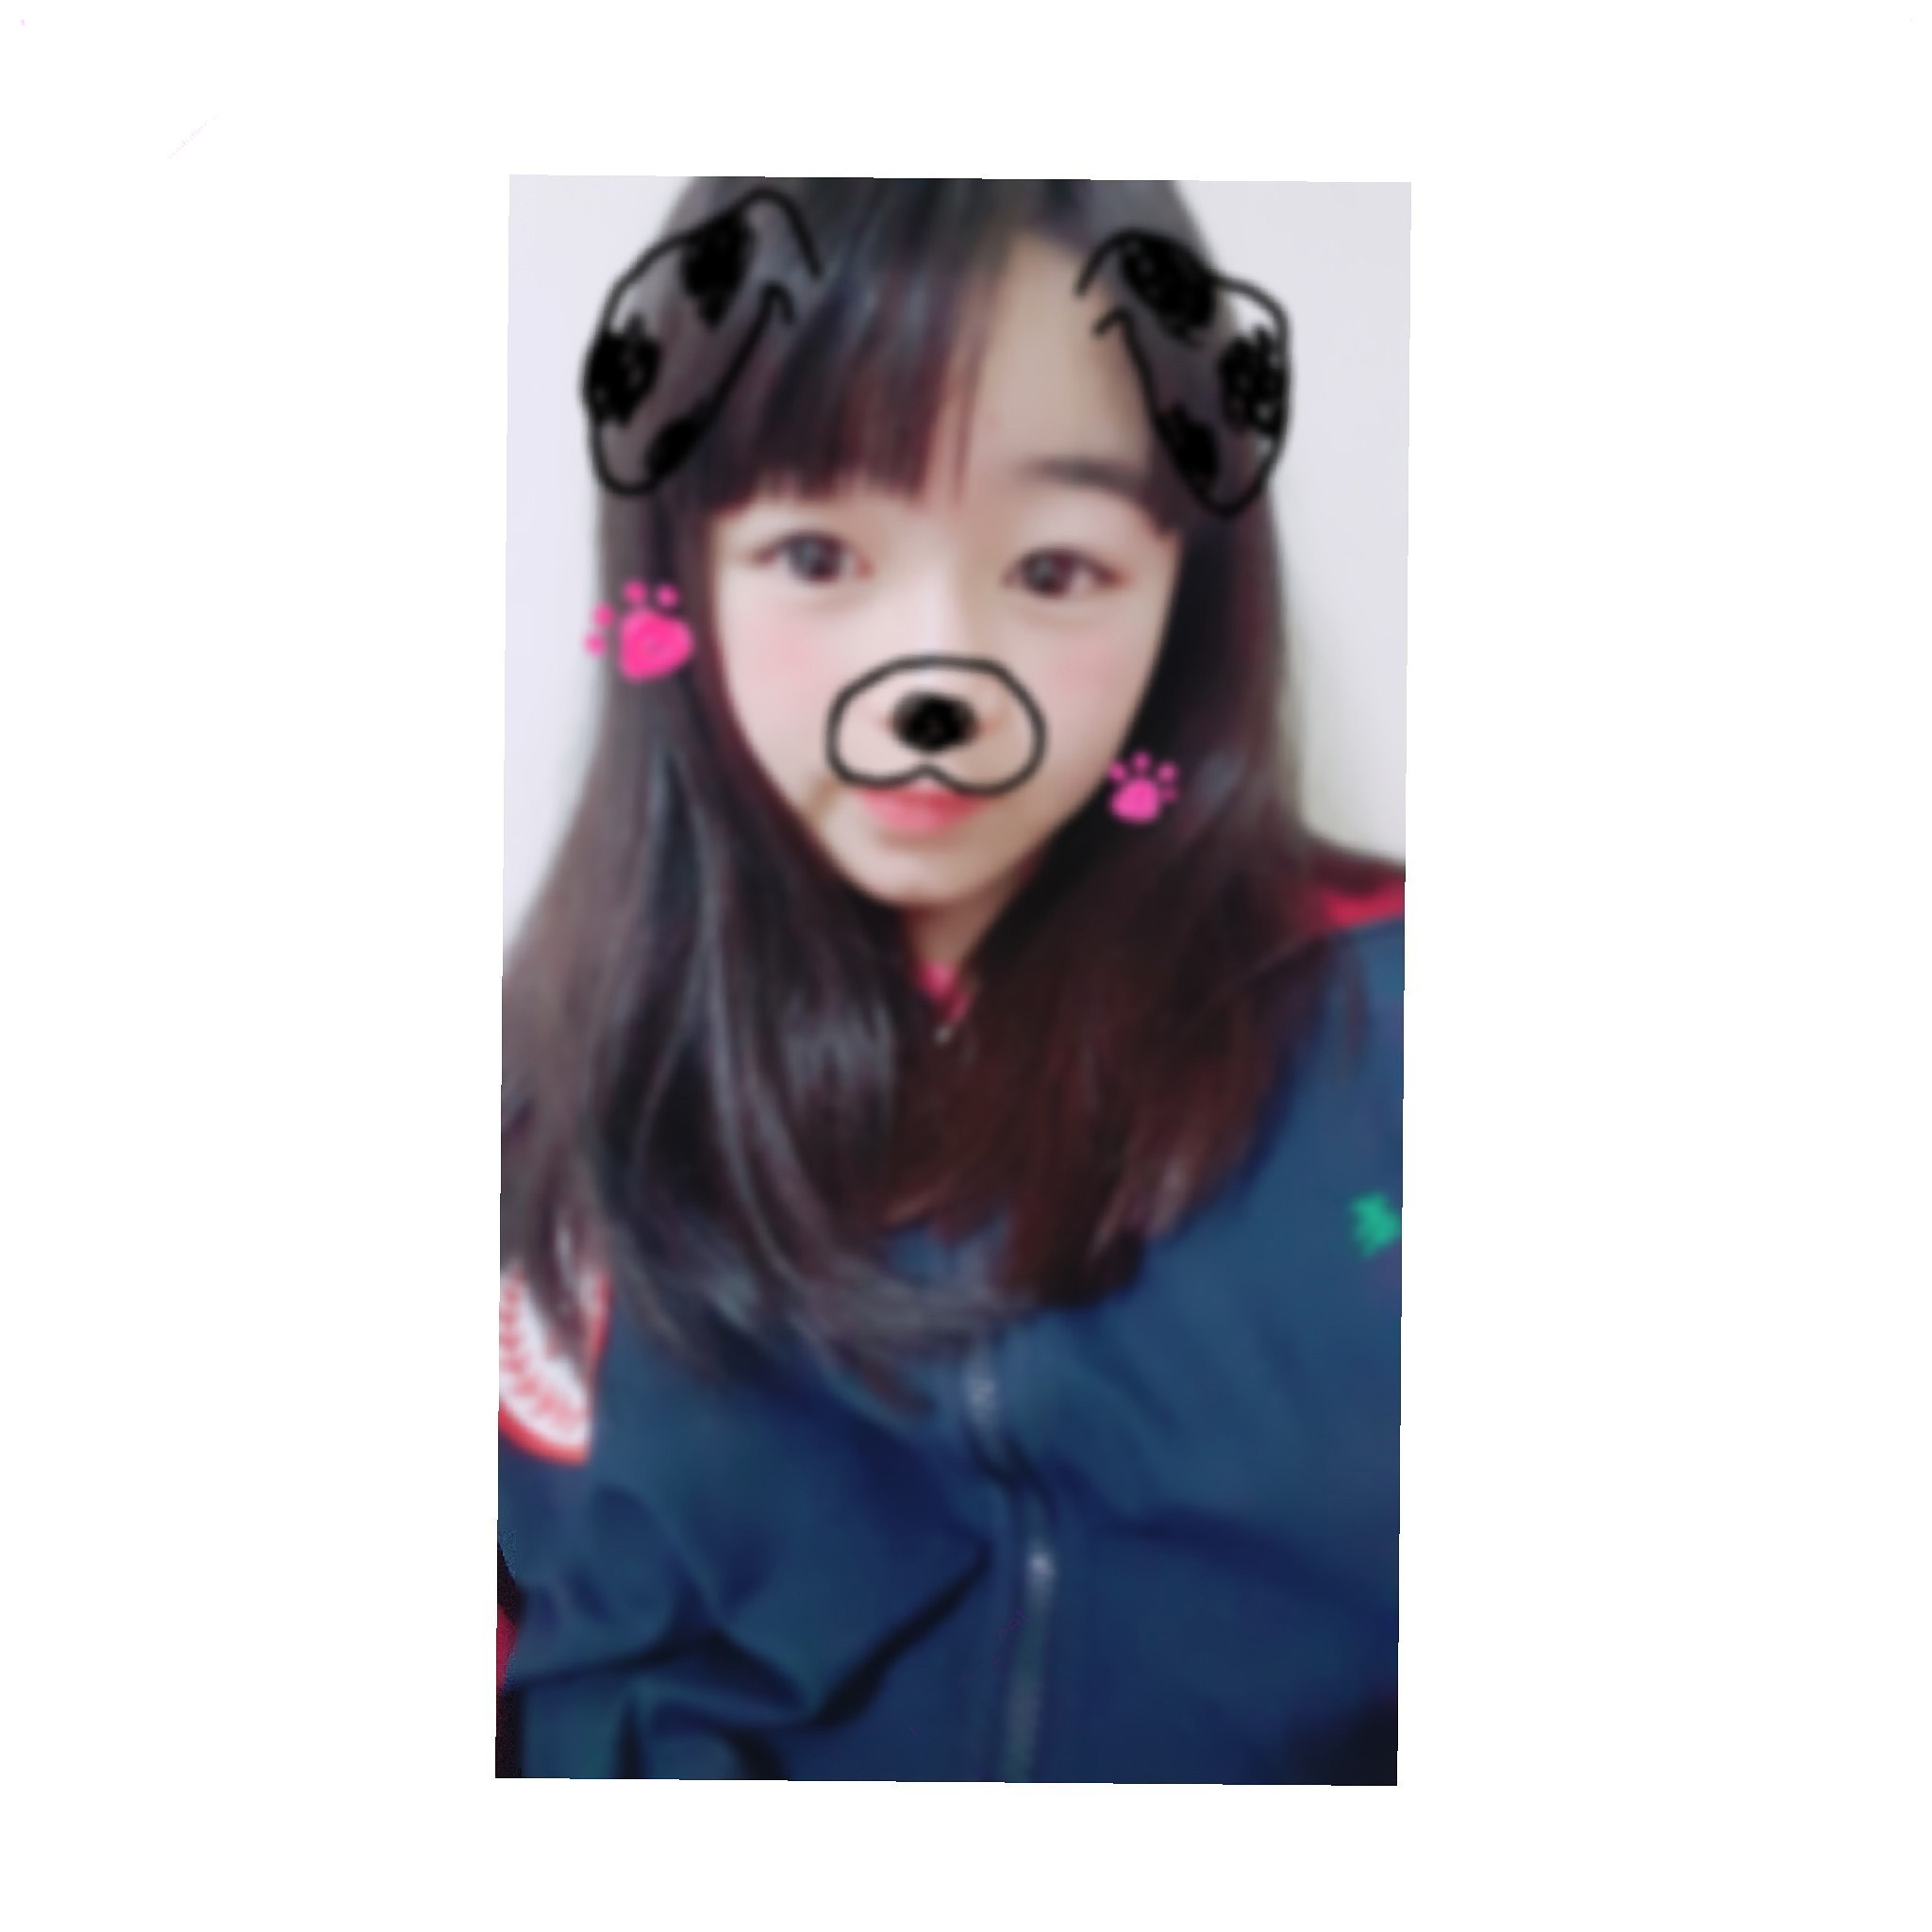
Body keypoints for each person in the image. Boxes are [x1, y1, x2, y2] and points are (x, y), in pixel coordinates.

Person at [498, 177, 1403, 1781]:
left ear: (1185, 590)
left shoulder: (1401, 1028)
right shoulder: (537, 1081)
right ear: (680, 578)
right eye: (815, 550)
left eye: (1054, 571)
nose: (938, 680)